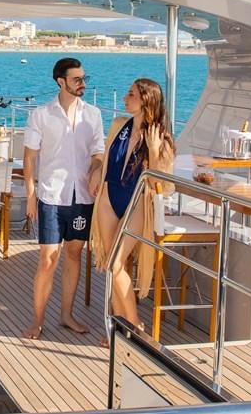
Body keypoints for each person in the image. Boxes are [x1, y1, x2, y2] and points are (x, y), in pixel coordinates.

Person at [22, 57, 104, 340]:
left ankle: (67, 315)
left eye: (84, 79)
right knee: (47, 259)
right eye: (77, 79)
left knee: (73, 254)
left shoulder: (93, 114)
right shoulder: (41, 115)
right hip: (51, 195)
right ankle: (37, 320)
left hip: (82, 197)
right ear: (61, 81)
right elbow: (30, 157)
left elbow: (98, 153)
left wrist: (95, 169)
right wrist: (30, 195)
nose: (82, 84)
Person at [89, 77, 176, 340]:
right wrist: (96, 173)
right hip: (109, 196)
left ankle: (136, 324)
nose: (125, 99)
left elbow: (160, 183)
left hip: (136, 201)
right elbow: (106, 158)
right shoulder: (119, 125)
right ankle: (118, 327)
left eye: (131, 95)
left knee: (116, 264)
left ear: (146, 101)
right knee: (111, 264)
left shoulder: (161, 138)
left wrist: (152, 149)